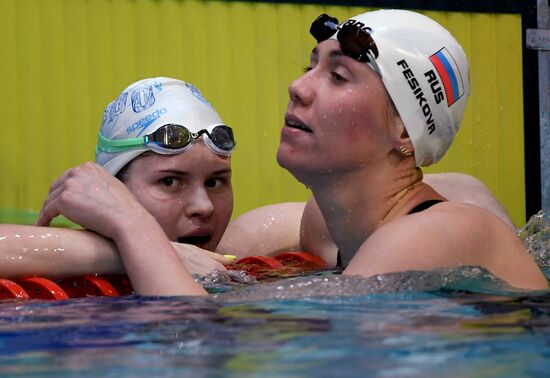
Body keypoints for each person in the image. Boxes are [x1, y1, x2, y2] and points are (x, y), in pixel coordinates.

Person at [272, 10, 547, 290]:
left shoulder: (429, 234)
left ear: (404, 131)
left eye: (339, 76)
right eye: (310, 68)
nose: (298, 87)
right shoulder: (326, 223)